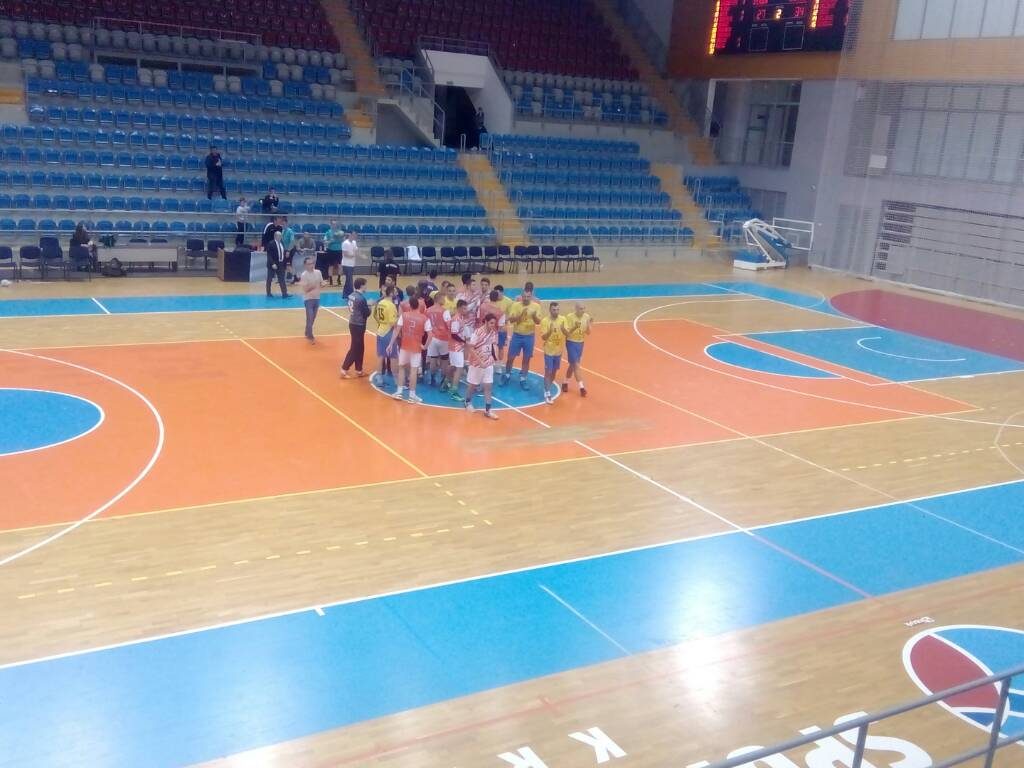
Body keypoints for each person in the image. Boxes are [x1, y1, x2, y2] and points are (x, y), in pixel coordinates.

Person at [390, 295, 430, 403]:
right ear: (418, 305)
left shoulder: (404, 315)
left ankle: (399, 392)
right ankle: (412, 396)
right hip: (416, 347)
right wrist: (425, 346)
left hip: (405, 346)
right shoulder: (424, 318)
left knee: (402, 368)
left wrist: (391, 344)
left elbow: (397, 330)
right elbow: (430, 334)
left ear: (410, 305)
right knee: (413, 370)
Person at [503, 281, 542, 389]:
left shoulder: (536, 306)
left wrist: (533, 316)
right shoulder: (516, 305)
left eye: (528, 297)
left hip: (529, 336)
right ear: (521, 296)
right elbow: (511, 320)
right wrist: (520, 316)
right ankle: (507, 375)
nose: (526, 298)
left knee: (526, 358)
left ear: (531, 296)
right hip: (517, 335)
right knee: (510, 357)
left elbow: (538, 322)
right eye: (524, 296)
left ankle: (523, 378)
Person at [464, 313, 499, 420]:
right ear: (486, 322)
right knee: (473, 384)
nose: (493, 325)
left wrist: (495, 357)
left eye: (494, 323)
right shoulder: (477, 332)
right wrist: (480, 362)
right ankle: (467, 402)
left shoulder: (493, 333)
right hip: (476, 363)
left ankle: (488, 410)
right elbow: (471, 348)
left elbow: (494, 345)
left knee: (488, 386)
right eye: (491, 323)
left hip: (488, 363)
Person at [340, 277, 370, 378]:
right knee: (355, 348)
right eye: (365, 285)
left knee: (360, 347)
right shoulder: (361, 299)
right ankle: (344, 369)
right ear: (361, 286)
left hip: (353, 323)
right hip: (359, 325)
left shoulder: (351, 295)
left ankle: (359, 370)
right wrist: (369, 307)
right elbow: (366, 313)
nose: (366, 286)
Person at [539, 301, 568, 404]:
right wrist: (550, 331)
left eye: (557, 310)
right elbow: (543, 337)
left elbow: (567, 334)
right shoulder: (545, 321)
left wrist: (563, 329)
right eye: (554, 310)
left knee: (554, 371)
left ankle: (547, 388)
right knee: (548, 371)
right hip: (549, 351)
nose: (556, 312)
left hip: (558, 351)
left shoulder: (563, 319)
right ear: (550, 310)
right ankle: (547, 393)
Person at [563, 301, 592, 397]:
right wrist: (575, 327)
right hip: (571, 342)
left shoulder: (586, 317)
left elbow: (588, 333)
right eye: (580, 309)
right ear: (576, 309)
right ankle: (582, 388)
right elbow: (567, 332)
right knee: (576, 365)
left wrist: (589, 325)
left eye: (584, 308)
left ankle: (565, 382)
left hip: (580, 343)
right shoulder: (569, 317)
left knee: (572, 365)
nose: (582, 310)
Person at [425, 291, 452, 388]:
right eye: (443, 298)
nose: (444, 300)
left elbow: (426, 324)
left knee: (433, 358)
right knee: (444, 359)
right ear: (439, 299)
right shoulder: (444, 311)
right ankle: (443, 381)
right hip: (443, 338)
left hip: (432, 337)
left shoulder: (427, 310)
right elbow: (449, 325)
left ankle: (432, 378)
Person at [373, 285, 399, 383]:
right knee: (393, 357)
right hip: (389, 332)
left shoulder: (381, 302)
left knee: (381, 356)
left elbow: (376, 316)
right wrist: (399, 319)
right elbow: (393, 323)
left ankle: (379, 377)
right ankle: (397, 380)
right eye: (395, 291)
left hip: (380, 331)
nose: (396, 293)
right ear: (391, 293)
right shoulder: (391, 305)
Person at [446, 299, 470, 401]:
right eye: (464, 308)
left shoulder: (460, 318)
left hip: (456, 347)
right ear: (459, 308)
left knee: (453, 366)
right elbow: (454, 334)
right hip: (456, 347)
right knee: (459, 368)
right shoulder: (456, 319)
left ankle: (445, 382)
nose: (466, 310)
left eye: (466, 308)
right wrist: (464, 342)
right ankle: (454, 392)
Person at [298, 255, 323, 343]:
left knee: (313, 317)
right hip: (308, 299)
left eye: (312, 263)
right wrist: (313, 286)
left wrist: (323, 284)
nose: (311, 265)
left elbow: (321, 283)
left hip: (317, 298)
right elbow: (305, 290)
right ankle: (310, 335)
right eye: (309, 264)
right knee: (310, 317)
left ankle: (307, 331)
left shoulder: (318, 272)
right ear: (305, 265)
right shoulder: (304, 275)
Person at [493, 283, 514, 374]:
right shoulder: (492, 300)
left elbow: (511, 315)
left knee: (500, 347)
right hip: (492, 328)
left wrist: (502, 320)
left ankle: (499, 365)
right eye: (495, 293)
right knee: (490, 346)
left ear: (502, 293)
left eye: (498, 293)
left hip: (502, 329)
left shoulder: (509, 302)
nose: (496, 295)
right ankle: (490, 363)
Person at [265, 227, 289, 298]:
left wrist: (285, 256)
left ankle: (284, 293)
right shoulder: (271, 243)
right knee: (269, 279)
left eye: (281, 236)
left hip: (281, 263)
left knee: (282, 279)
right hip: (273, 264)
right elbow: (269, 255)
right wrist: (273, 263)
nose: (280, 237)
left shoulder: (282, 243)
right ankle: (268, 293)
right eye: (279, 236)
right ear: (275, 236)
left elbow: (282, 252)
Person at [323, 221, 344, 286]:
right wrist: (330, 241)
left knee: (340, 265)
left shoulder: (340, 232)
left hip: (339, 250)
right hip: (330, 250)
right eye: (333, 224)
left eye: (335, 224)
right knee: (330, 266)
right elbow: (325, 241)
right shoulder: (328, 232)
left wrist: (338, 236)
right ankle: (331, 280)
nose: (334, 225)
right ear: (331, 224)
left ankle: (339, 279)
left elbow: (343, 238)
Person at [341, 230, 359, 299]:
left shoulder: (354, 242)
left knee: (348, 280)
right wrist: (353, 255)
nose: (355, 236)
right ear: (350, 235)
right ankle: (351, 295)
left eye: (356, 235)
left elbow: (356, 250)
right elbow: (345, 254)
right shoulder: (345, 243)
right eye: (354, 235)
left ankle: (345, 295)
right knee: (350, 280)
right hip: (346, 264)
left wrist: (361, 255)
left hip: (352, 264)